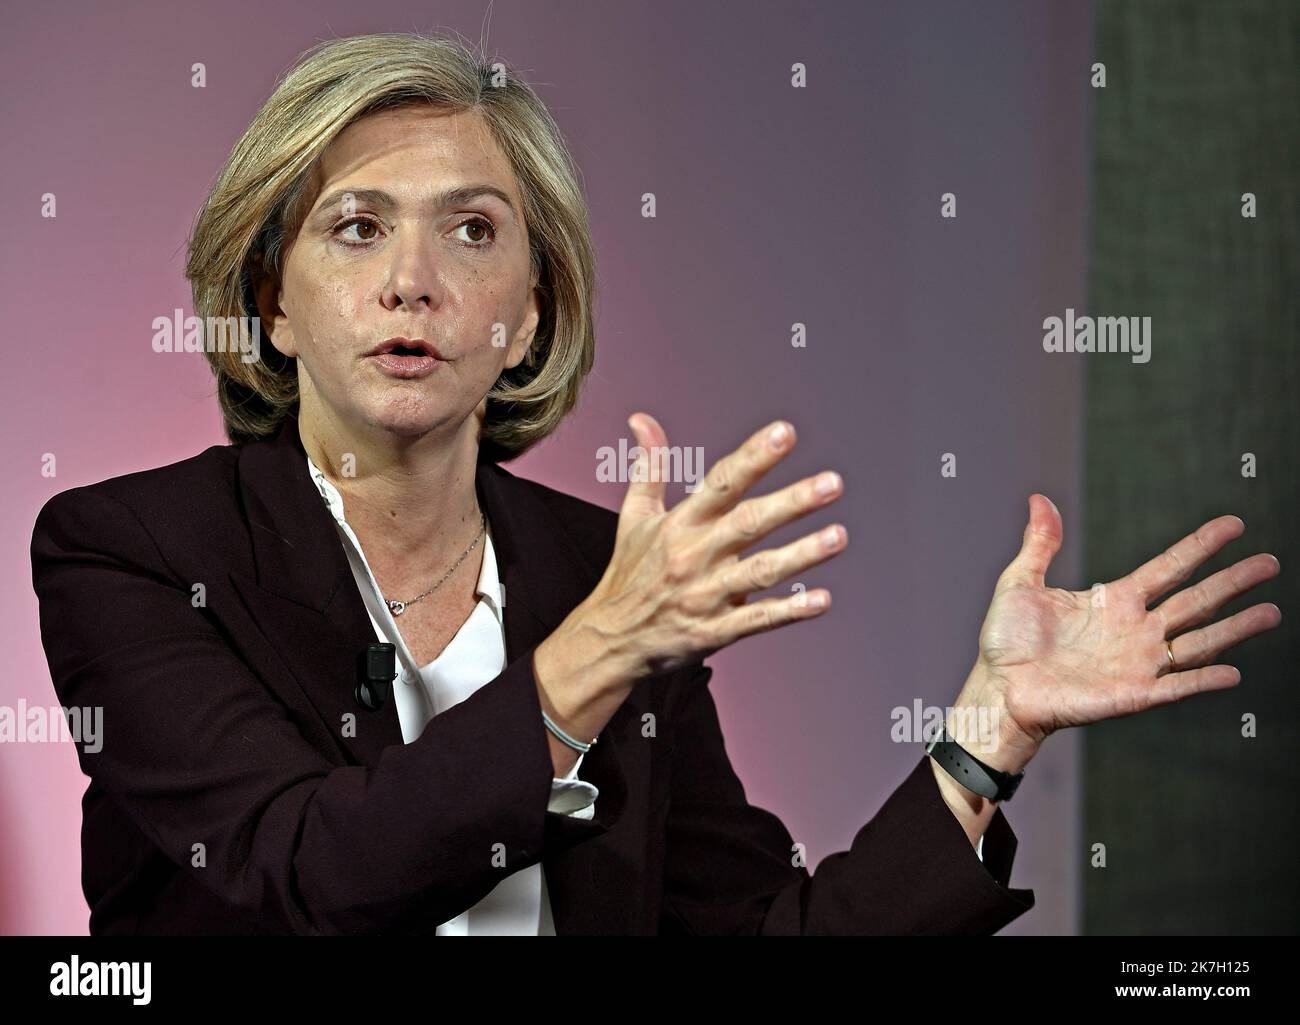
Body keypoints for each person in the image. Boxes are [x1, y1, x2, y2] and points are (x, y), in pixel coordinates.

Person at [30, 32, 1281, 936]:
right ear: (273, 306)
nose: (413, 278)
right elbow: (304, 869)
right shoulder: (130, 549)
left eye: (473, 230)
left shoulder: (601, 572)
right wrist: (595, 655)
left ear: (527, 314)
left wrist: (987, 732)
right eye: (356, 226)